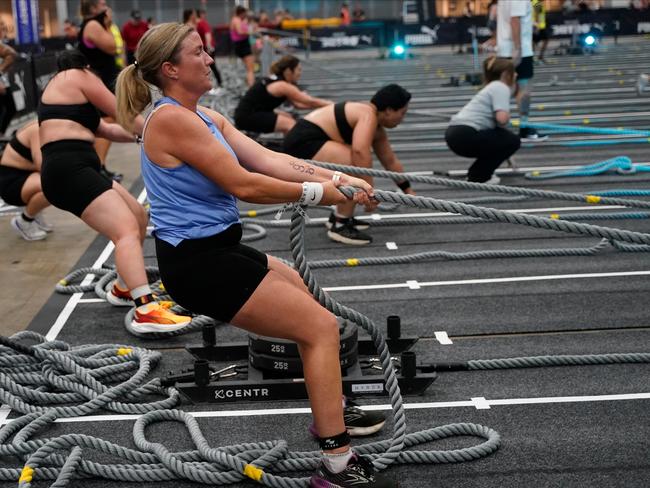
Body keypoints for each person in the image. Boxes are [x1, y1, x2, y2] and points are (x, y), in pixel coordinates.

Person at [115, 22, 394, 487]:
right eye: (199, 53)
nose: (209, 60)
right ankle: (336, 464)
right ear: (170, 69)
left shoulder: (205, 117)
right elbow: (244, 184)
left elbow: (268, 159)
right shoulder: (170, 120)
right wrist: (319, 193)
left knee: (300, 288)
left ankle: (330, 406)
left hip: (220, 249)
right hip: (198, 263)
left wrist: (336, 178)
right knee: (321, 329)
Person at [38, 49, 191, 333]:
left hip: (80, 166)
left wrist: (145, 136)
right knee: (125, 231)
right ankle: (145, 310)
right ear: (87, 66)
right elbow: (120, 112)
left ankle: (123, 288)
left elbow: (109, 130)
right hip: (68, 169)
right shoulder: (77, 76)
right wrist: (165, 131)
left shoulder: (65, 91)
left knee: (137, 217)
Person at [284, 84, 414, 245]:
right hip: (303, 141)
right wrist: (369, 191)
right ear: (388, 110)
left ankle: (340, 217)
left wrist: (408, 190)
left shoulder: (377, 129)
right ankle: (340, 224)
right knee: (352, 164)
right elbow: (360, 151)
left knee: (354, 164)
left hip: (311, 139)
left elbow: (390, 161)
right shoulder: (367, 115)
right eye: (402, 113)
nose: (403, 119)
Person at [445, 57, 520, 184]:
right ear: (505, 75)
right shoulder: (500, 87)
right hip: (465, 135)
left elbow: (500, 133)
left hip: (456, 135)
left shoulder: (491, 87)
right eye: (514, 72)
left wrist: (506, 152)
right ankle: (479, 176)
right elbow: (502, 120)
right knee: (513, 141)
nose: (516, 74)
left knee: (508, 138)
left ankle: (477, 174)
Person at [78, 0, 123, 181]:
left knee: (107, 121)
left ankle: (99, 166)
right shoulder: (94, 25)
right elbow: (112, 47)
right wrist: (108, 24)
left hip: (102, 79)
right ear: (94, 7)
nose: (106, 8)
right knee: (107, 121)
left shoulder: (93, 24)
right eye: (103, 4)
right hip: (99, 81)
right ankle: (99, 167)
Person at [234, 55, 332, 135]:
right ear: (289, 71)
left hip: (247, 114)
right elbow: (310, 101)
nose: (300, 73)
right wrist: (331, 105)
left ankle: (288, 146)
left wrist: (322, 107)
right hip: (246, 116)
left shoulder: (278, 80)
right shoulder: (283, 86)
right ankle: (295, 152)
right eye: (298, 69)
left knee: (288, 116)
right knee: (290, 124)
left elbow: (298, 105)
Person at [496, 0, 546, 141]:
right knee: (523, 90)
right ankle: (524, 128)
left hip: (506, 49)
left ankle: (498, 128)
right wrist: (517, 48)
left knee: (506, 90)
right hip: (519, 50)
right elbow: (514, 20)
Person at [0, 121, 51, 241]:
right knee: (53, 185)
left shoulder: (49, 126)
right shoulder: (37, 129)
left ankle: (35, 215)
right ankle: (24, 221)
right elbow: (42, 166)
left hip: (25, 176)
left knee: (56, 181)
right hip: (10, 182)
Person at [196, 8, 222, 88]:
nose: (204, 16)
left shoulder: (200, 23)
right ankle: (218, 82)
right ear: (200, 15)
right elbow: (207, 34)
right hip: (207, 48)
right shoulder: (202, 23)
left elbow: (207, 34)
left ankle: (217, 82)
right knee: (210, 66)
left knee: (210, 66)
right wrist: (209, 46)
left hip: (206, 48)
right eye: (203, 14)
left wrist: (208, 46)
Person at [230, 6, 255, 87]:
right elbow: (240, 32)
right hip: (242, 44)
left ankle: (249, 83)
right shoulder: (236, 20)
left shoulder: (239, 20)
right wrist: (250, 32)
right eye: (245, 13)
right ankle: (251, 86)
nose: (246, 15)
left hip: (242, 44)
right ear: (241, 13)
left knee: (249, 68)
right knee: (250, 68)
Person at [0, 41, 17, 135]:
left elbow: (12, 54)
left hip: (4, 83)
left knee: (11, 108)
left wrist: (1, 70)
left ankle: (1, 134)